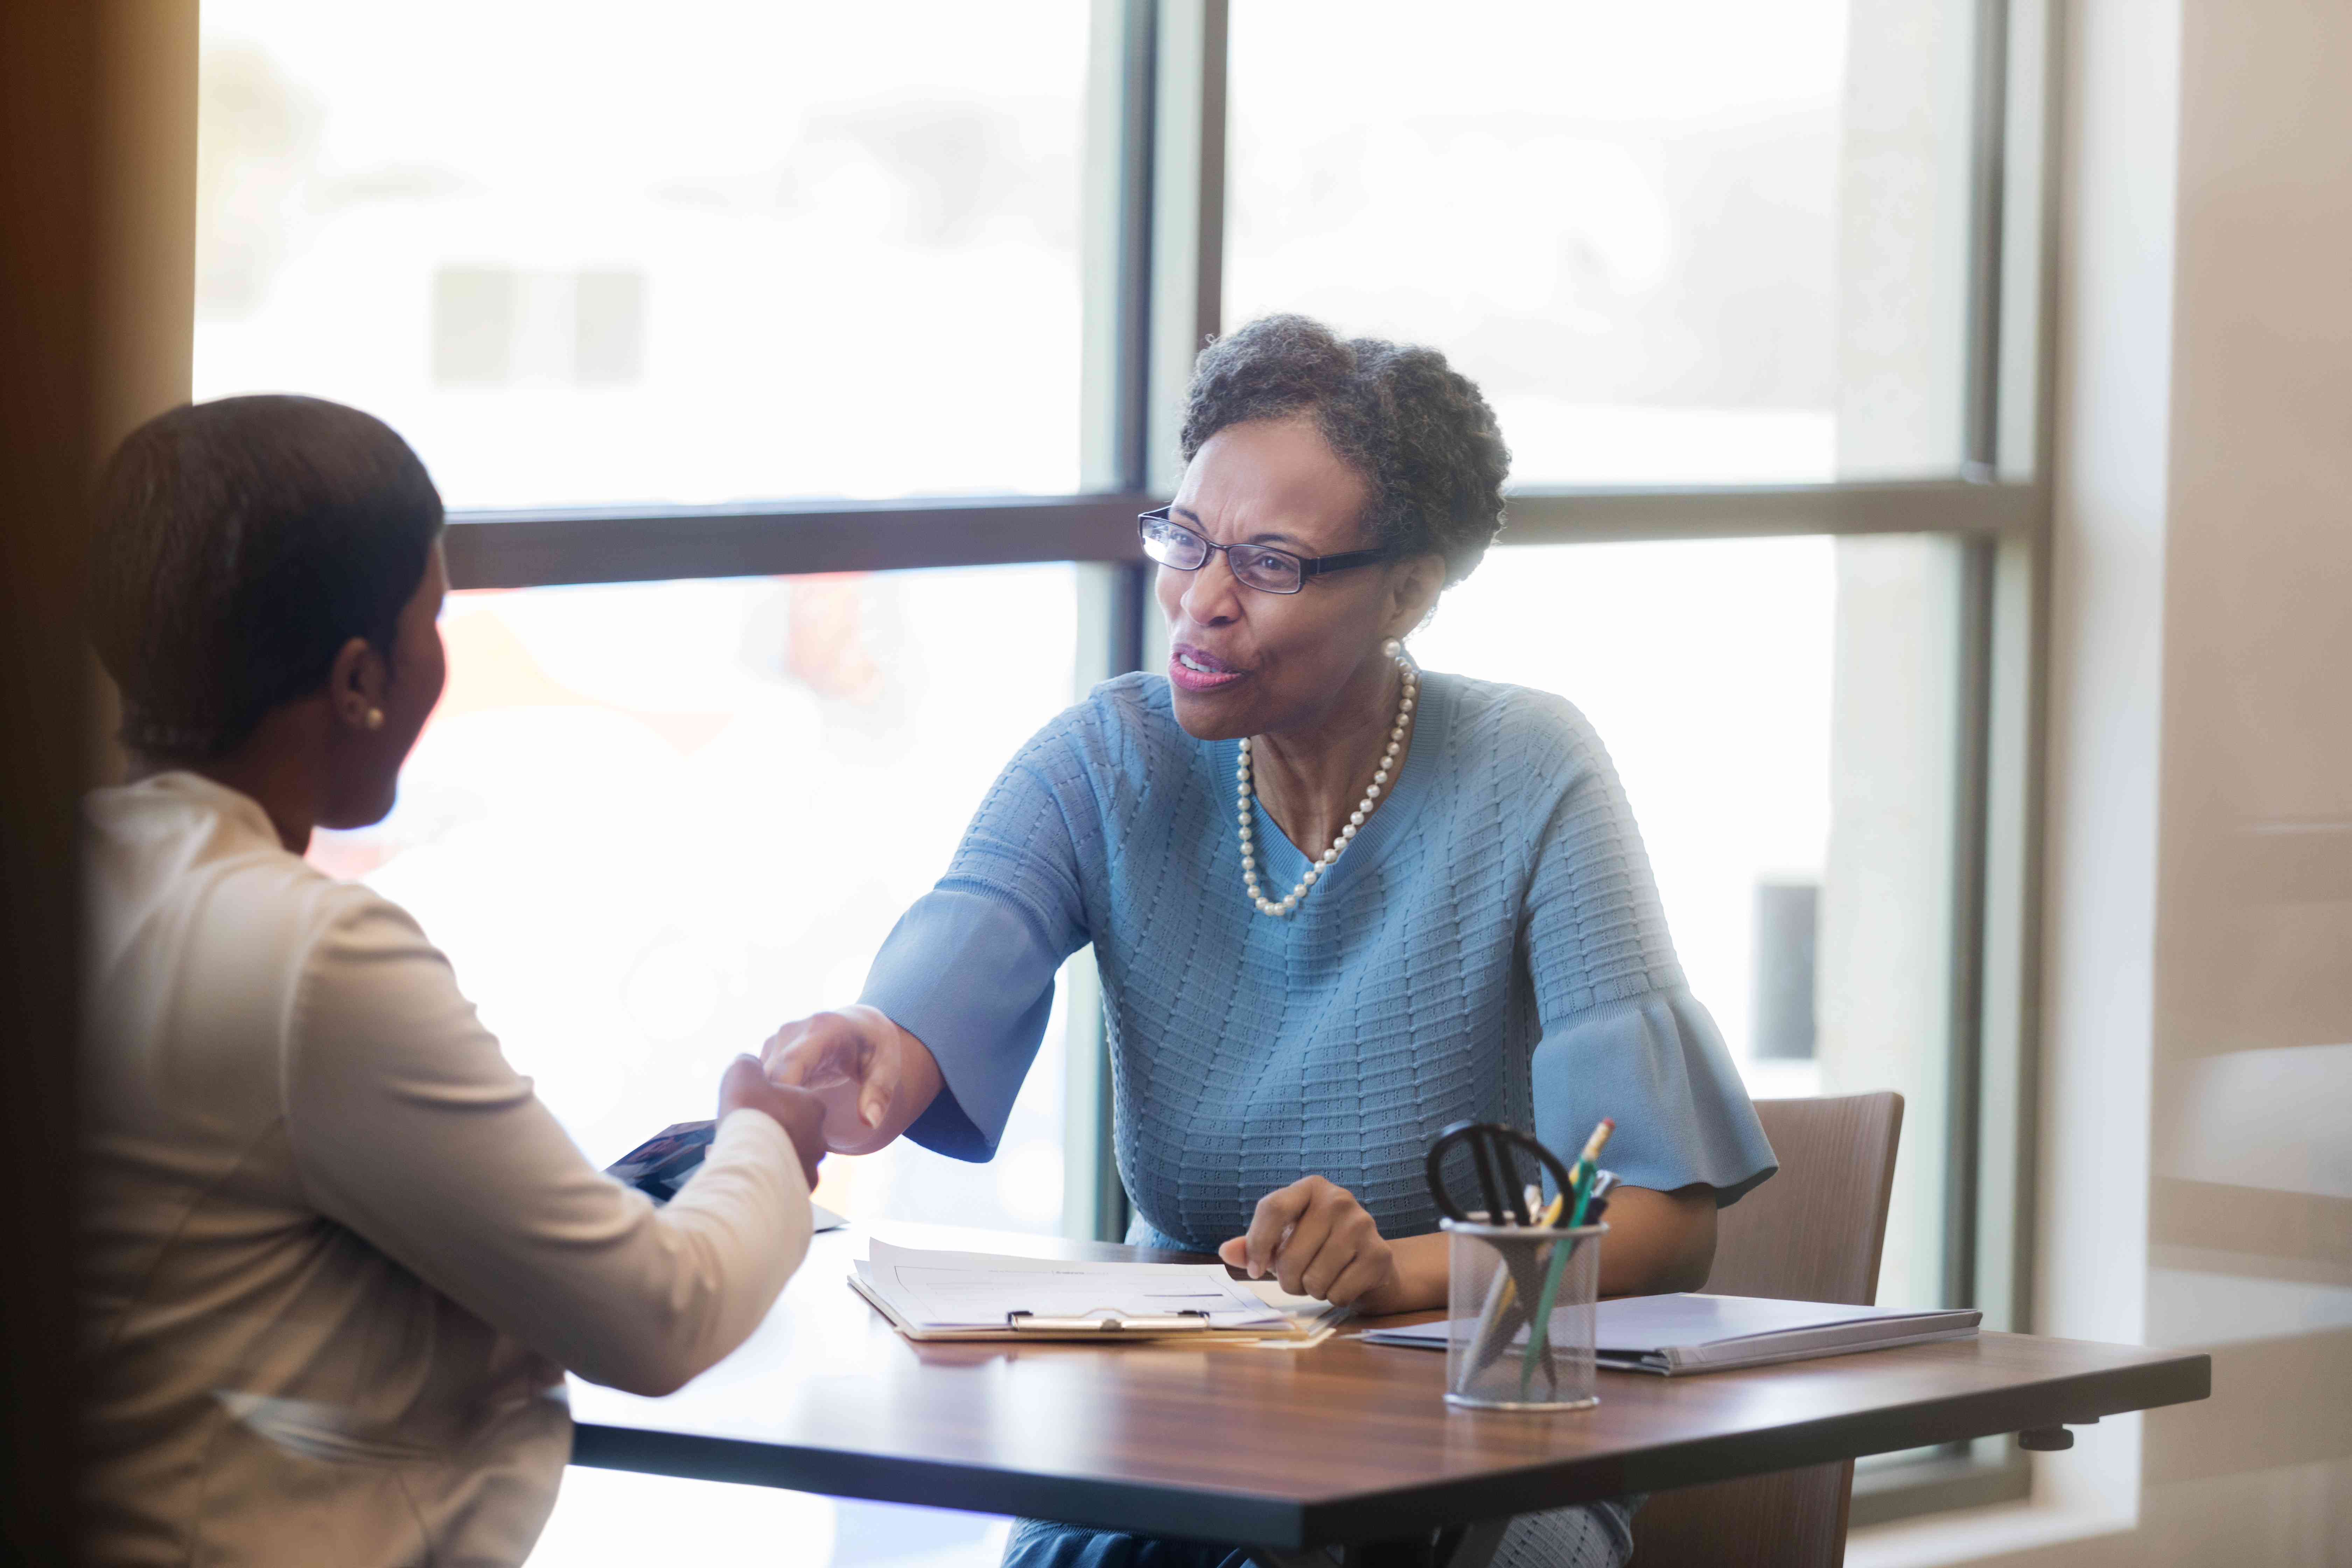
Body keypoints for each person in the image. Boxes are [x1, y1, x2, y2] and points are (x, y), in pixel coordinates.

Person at [765, 315, 1779, 1568]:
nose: (1201, 601)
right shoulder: (1110, 759)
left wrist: (1393, 1273)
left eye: (1272, 563)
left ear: (1409, 589)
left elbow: (1667, 1225)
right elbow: (940, 990)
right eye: (1184, 540)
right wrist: (865, 1055)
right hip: (1179, 1440)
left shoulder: (1531, 774)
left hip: (1482, 1437)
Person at [79, 396, 828, 1567]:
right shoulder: (309, 957)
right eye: (436, 615)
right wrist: (765, 1139)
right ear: (361, 676)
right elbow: (657, 1316)